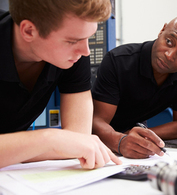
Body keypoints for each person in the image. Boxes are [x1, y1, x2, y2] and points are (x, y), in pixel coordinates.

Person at [0, 0, 122, 169]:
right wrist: (49, 139)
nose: (85, 51)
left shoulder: (75, 56)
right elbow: (66, 143)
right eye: (72, 41)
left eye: (88, 37)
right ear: (29, 30)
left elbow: (77, 140)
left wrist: (17, 148)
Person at [92, 13, 177, 159]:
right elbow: (97, 122)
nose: (170, 55)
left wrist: (142, 137)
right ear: (162, 30)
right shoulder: (118, 61)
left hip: (133, 139)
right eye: (169, 41)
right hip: (100, 142)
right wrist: (121, 140)